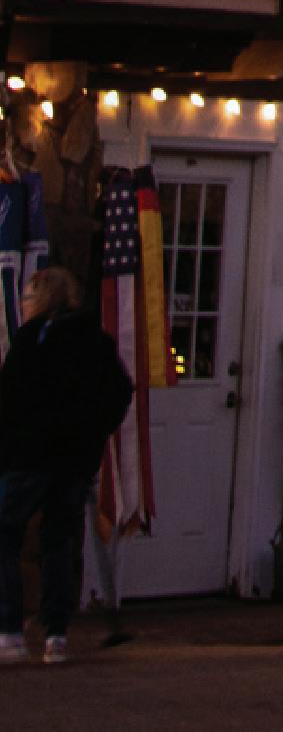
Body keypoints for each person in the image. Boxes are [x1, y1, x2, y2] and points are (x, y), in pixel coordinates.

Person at [0, 267, 133, 664]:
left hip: (30, 456)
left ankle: (9, 630)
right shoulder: (94, 340)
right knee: (58, 542)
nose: (24, 305)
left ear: (41, 299)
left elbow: (8, 399)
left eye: (27, 298)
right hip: (73, 460)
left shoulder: (32, 339)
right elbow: (119, 391)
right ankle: (55, 635)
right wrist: (93, 434)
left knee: (5, 536)